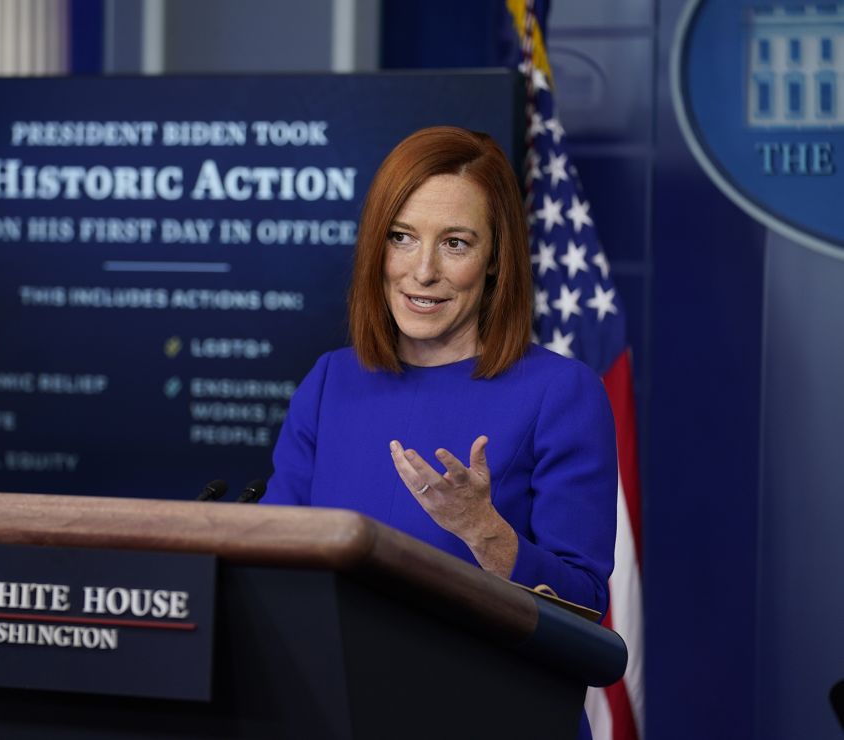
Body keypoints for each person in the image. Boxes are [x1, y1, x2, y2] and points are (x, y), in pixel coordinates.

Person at [262, 126, 617, 617]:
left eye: (454, 243)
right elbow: (270, 557)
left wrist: (482, 529)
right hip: (335, 685)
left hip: (487, 690)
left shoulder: (561, 393)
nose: (423, 270)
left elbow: (586, 606)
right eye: (401, 237)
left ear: (495, 258)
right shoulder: (329, 383)